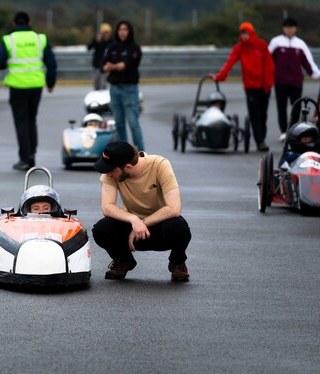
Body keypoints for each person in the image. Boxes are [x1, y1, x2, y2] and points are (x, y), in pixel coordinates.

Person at [91, 140, 192, 282]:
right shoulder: (112, 174)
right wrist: (134, 220)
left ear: (128, 167)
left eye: (111, 170)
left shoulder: (160, 165)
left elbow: (174, 208)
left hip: (161, 228)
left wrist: (144, 222)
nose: (107, 174)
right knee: (101, 229)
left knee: (179, 227)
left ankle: (177, 262)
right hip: (132, 231)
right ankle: (123, 260)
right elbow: (107, 207)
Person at [0, 11, 57, 171]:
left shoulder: (9, 40)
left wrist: (9, 63)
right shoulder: (39, 38)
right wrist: (50, 82)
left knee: (21, 122)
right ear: (30, 22)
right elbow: (51, 63)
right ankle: (31, 155)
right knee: (31, 120)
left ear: (14, 23)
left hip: (17, 85)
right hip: (36, 85)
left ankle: (24, 158)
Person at [211, 22, 274, 152]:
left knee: (263, 115)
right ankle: (260, 141)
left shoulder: (261, 45)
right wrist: (220, 76)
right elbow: (230, 62)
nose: (244, 35)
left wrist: (268, 84)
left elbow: (269, 65)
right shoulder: (239, 48)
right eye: (242, 33)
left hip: (264, 87)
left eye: (246, 33)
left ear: (251, 33)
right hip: (250, 87)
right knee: (254, 115)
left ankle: (262, 137)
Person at [268, 18, 320, 142]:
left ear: (295, 28)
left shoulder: (300, 44)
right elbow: (267, 61)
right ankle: (283, 131)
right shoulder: (275, 42)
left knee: (296, 106)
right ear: (283, 28)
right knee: (281, 107)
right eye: (287, 27)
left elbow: (309, 63)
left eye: (292, 27)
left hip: (296, 82)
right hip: (280, 81)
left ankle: (292, 130)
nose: (289, 30)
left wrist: (318, 74)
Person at [102, 20, 144, 151]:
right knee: (119, 124)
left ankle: (141, 153)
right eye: (120, 29)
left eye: (125, 29)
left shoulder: (134, 48)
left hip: (129, 89)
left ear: (129, 31)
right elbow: (102, 65)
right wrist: (107, 67)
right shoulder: (112, 47)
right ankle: (124, 153)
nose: (122, 32)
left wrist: (112, 66)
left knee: (133, 123)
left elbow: (124, 65)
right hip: (114, 88)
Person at [87, 23, 112, 90]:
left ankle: (103, 97)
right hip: (97, 65)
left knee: (103, 84)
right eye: (104, 32)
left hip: (105, 66)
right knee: (96, 84)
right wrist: (96, 40)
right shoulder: (97, 39)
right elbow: (89, 47)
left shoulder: (111, 41)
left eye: (107, 32)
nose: (105, 34)